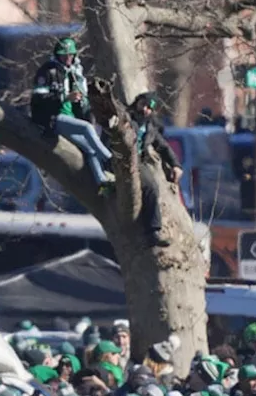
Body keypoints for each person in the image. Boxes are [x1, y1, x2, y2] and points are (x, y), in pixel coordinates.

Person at [31, 37, 114, 194]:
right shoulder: (48, 71)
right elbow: (38, 100)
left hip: (71, 120)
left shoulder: (75, 73)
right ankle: (109, 159)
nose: (67, 58)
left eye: (70, 55)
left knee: (89, 149)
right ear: (57, 55)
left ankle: (102, 183)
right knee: (87, 128)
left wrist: (83, 103)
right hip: (53, 119)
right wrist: (65, 97)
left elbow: (82, 105)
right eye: (64, 55)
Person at [129, 92, 182, 247]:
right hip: (121, 159)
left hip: (138, 160)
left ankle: (152, 231)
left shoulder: (150, 126)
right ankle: (152, 231)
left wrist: (176, 165)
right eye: (142, 104)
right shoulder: (126, 118)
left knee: (152, 187)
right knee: (150, 186)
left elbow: (164, 147)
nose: (144, 109)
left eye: (149, 107)